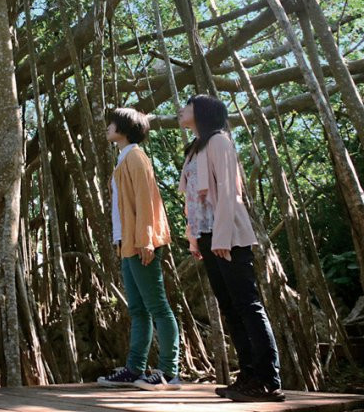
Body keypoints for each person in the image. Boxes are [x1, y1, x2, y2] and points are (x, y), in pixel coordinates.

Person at [178, 94, 284, 403]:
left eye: (187, 106)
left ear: (202, 112)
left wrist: (222, 238)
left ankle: (267, 379)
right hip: (208, 235)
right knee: (229, 306)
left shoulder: (219, 142)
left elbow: (228, 192)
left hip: (229, 236)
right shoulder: (194, 149)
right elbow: (193, 201)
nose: (181, 111)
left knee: (247, 305)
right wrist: (194, 237)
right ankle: (248, 374)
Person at [96, 107, 182, 391]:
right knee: (138, 310)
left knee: (157, 306)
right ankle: (135, 369)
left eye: (112, 123)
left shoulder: (135, 156)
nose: (108, 126)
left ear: (124, 127)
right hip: (127, 243)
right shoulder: (124, 158)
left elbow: (146, 200)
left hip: (141, 242)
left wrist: (146, 239)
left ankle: (170, 371)